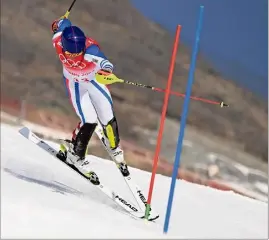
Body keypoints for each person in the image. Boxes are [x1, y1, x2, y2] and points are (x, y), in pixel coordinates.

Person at [51, 17, 128, 183]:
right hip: (76, 85)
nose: (75, 56)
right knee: (89, 120)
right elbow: (60, 25)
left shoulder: (90, 50)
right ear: (63, 46)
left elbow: (106, 63)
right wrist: (59, 22)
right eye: (71, 53)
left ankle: (114, 146)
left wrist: (107, 72)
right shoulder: (58, 40)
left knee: (107, 115)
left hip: (93, 82)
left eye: (78, 53)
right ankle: (76, 154)